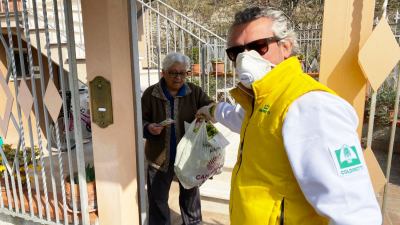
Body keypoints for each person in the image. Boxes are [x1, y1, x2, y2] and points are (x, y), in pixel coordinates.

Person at [197, 6, 382, 225]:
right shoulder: (262, 102)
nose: (245, 59)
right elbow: (243, 120)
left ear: (285, 46)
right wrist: (212, 111)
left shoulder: (311, 106)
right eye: (236, 52)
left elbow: (355, 214)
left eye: (258, 46)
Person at [142, 52, 213, 225]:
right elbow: (140, 119)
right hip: (159, 159)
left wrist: (207, 112)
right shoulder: (151, 94)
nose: (178, 77)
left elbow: (210, 105)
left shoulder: (194, 91)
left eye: (183, 73)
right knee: (158, 201)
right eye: (173, 72)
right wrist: (148, 127)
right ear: (163, 72)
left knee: (191, 200)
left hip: (188, 157)